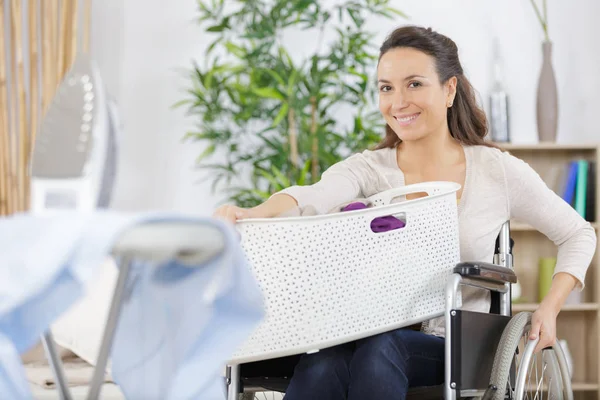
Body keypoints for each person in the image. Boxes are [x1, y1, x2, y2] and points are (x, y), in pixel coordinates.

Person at [214, 25, 597, 399]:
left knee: (380, 352)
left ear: (449, 89)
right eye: (386, 88)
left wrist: (550, 308)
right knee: (321, 365)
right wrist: (255, 212)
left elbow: (578, 233)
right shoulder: (370, 169)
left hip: (454, 343)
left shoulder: (495, 170)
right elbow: (312, 196)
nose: (398, 102)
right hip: (362, 333)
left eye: (414, 84)